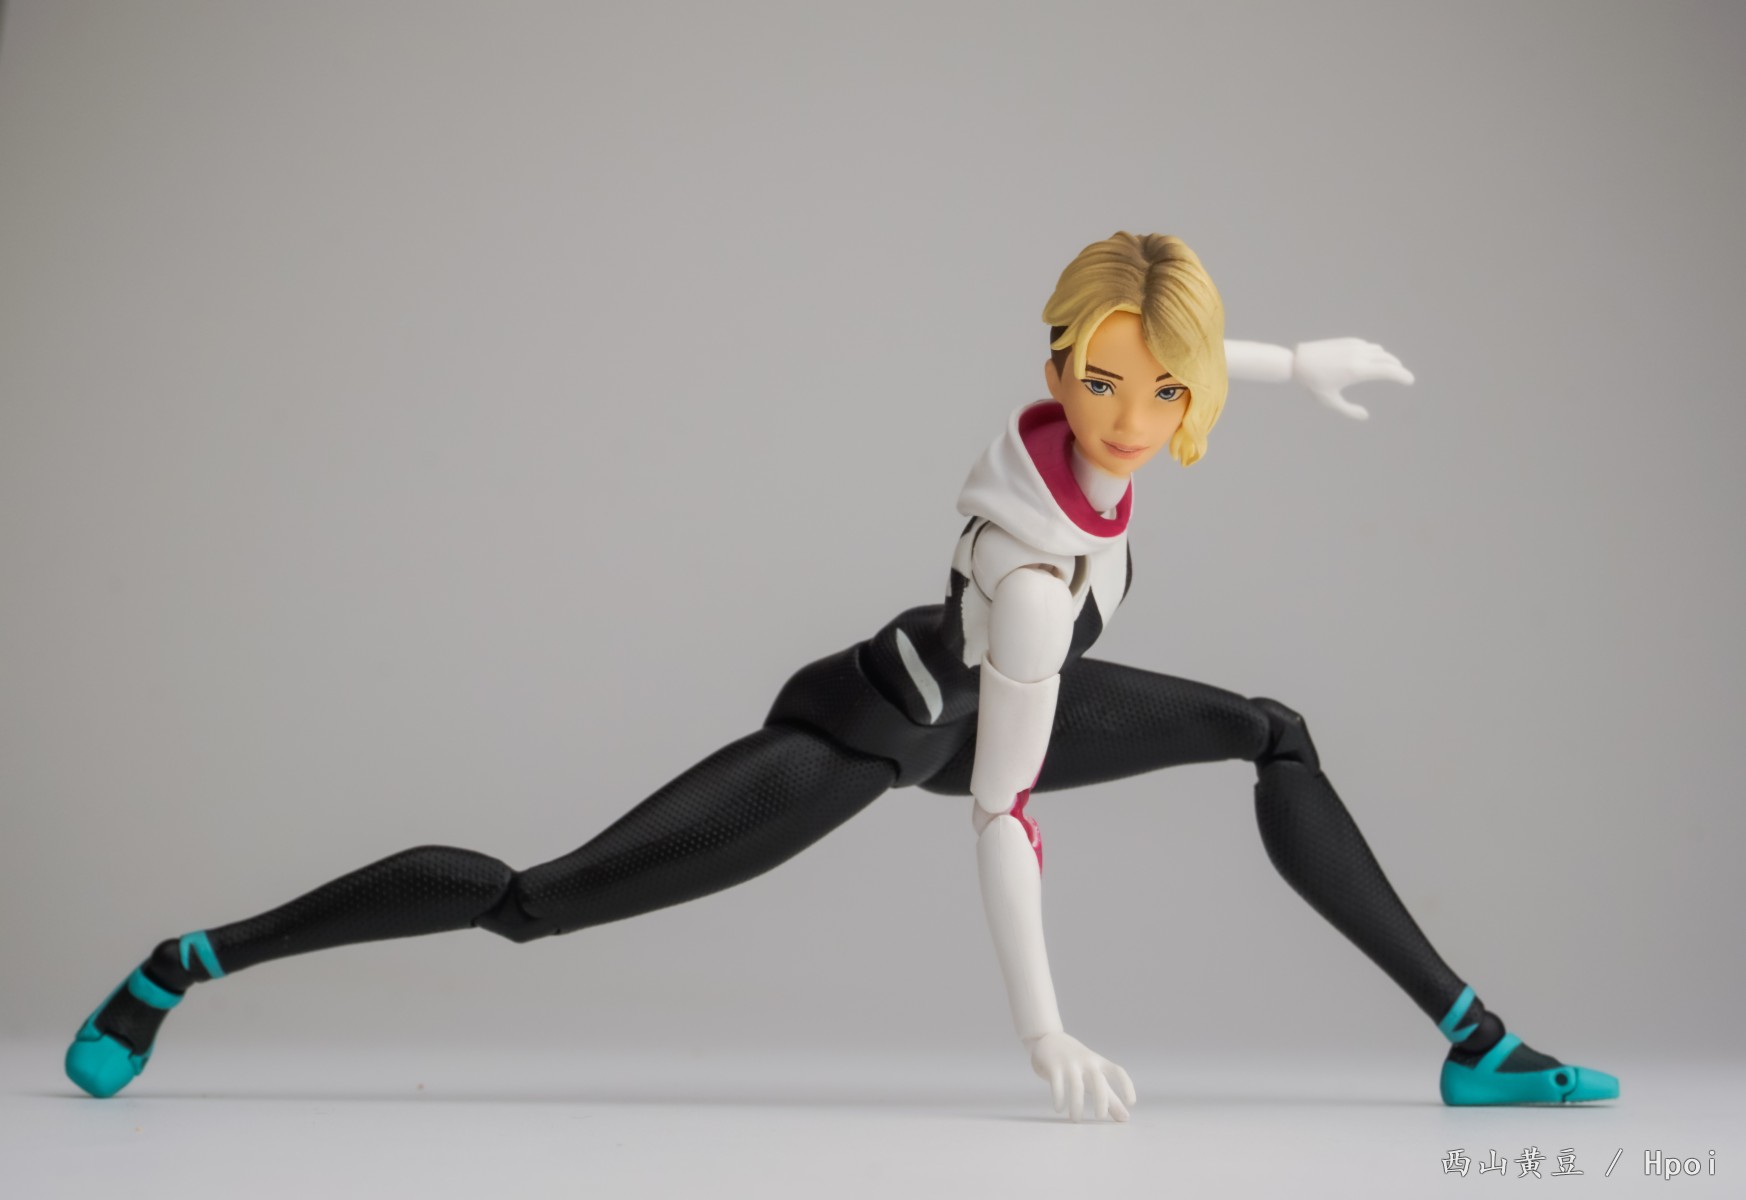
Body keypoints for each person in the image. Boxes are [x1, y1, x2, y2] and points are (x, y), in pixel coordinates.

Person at [65, 232, 1617, 1120]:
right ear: (1054, 367)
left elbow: (1170, 353)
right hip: (883, 729)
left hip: (990, 697)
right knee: (537, 903)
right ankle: (186, 964)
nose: (1130, 417)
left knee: (1270, 734)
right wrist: (1044, 1034)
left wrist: (1288, 360)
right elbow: (1002, 812)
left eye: (1164, 391)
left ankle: (1472, 1042)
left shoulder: (1113, 424)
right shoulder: (1029, 577)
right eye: (1100, 383)